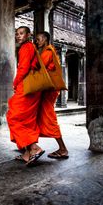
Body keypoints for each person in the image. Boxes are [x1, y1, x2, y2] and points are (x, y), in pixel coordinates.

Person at [6, 26, 45, 166]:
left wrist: (15, 83)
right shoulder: (30, 47)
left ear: (29, 35)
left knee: (13, 116)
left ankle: (34, 148)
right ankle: (27, 153)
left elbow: (23, 68)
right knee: (26, 119)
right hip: (33, 88)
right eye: (17, 34)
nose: (18, 36)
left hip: (26, 87)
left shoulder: (26, 47)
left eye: (21, 33)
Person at [33, 31, 69, 159]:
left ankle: (63, 149)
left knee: (49, 117)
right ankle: (29, 146)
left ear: (45, 39)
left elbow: (38, 69)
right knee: (37, 116)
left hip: (48, 90)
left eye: (38, 39)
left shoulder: (48, 52)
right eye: (36, 39)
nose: (36, 41)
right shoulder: (45, 52)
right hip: (46, 89)